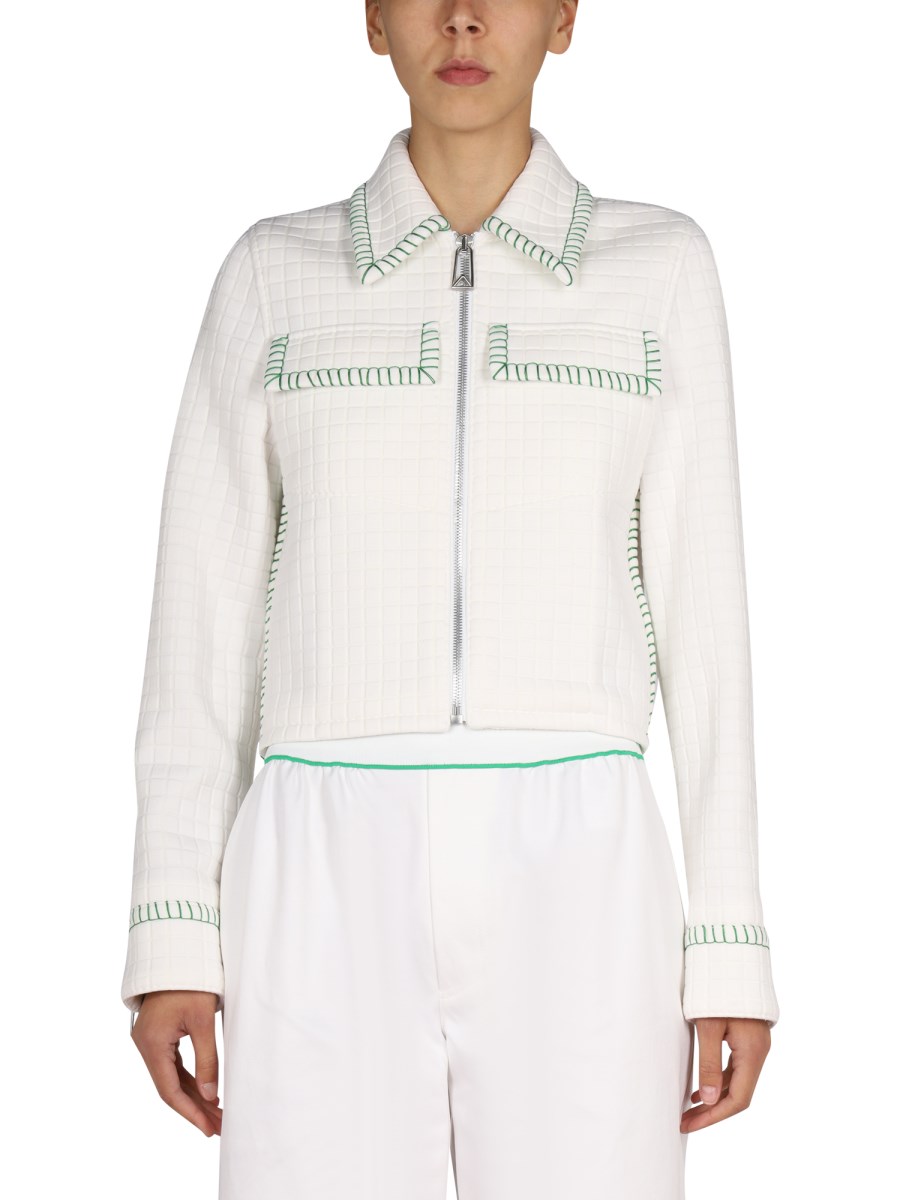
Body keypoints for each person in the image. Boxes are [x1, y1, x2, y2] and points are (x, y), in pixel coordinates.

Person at [122, 2, 780, 1197]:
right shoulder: (274, 274)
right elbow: (199, 625)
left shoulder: (660, 269)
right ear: (374, 19)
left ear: (564, 18)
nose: (464, 18)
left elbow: (708, 622)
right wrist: (174, 931)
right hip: (318, 855)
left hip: (581, 854)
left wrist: (729, 945)